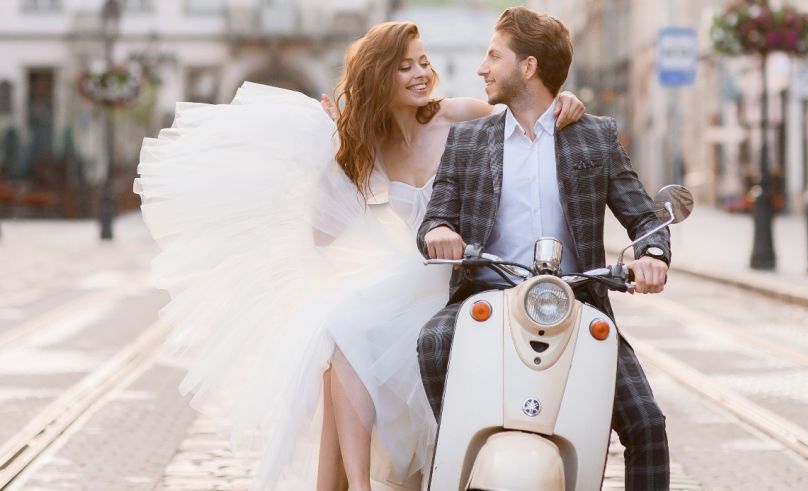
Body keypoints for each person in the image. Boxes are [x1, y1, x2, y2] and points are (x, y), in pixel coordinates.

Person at [134, 20, 585, 490]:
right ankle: (357, 483)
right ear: (378, 77)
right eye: (404, 66)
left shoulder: (458, 115)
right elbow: (321, 234)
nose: (420, 73)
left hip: (467, 273)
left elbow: (527, 122)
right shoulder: (370, 143)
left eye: (424, 62)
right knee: (339, 334)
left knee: (346, 332)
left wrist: (565, 104)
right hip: (411, 274)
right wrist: (329, 150)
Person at [417, 7, 672, 491]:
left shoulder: (593, 136)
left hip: (577, 302)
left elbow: (645, 218)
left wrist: (652, 257)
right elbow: (437, 216)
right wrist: (438, 233)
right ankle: (458, 458)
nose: (482, 68)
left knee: (647, 425)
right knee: (433, 341)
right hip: (487, 301)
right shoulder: (469, 140)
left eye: (494, 56)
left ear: (528, 67)